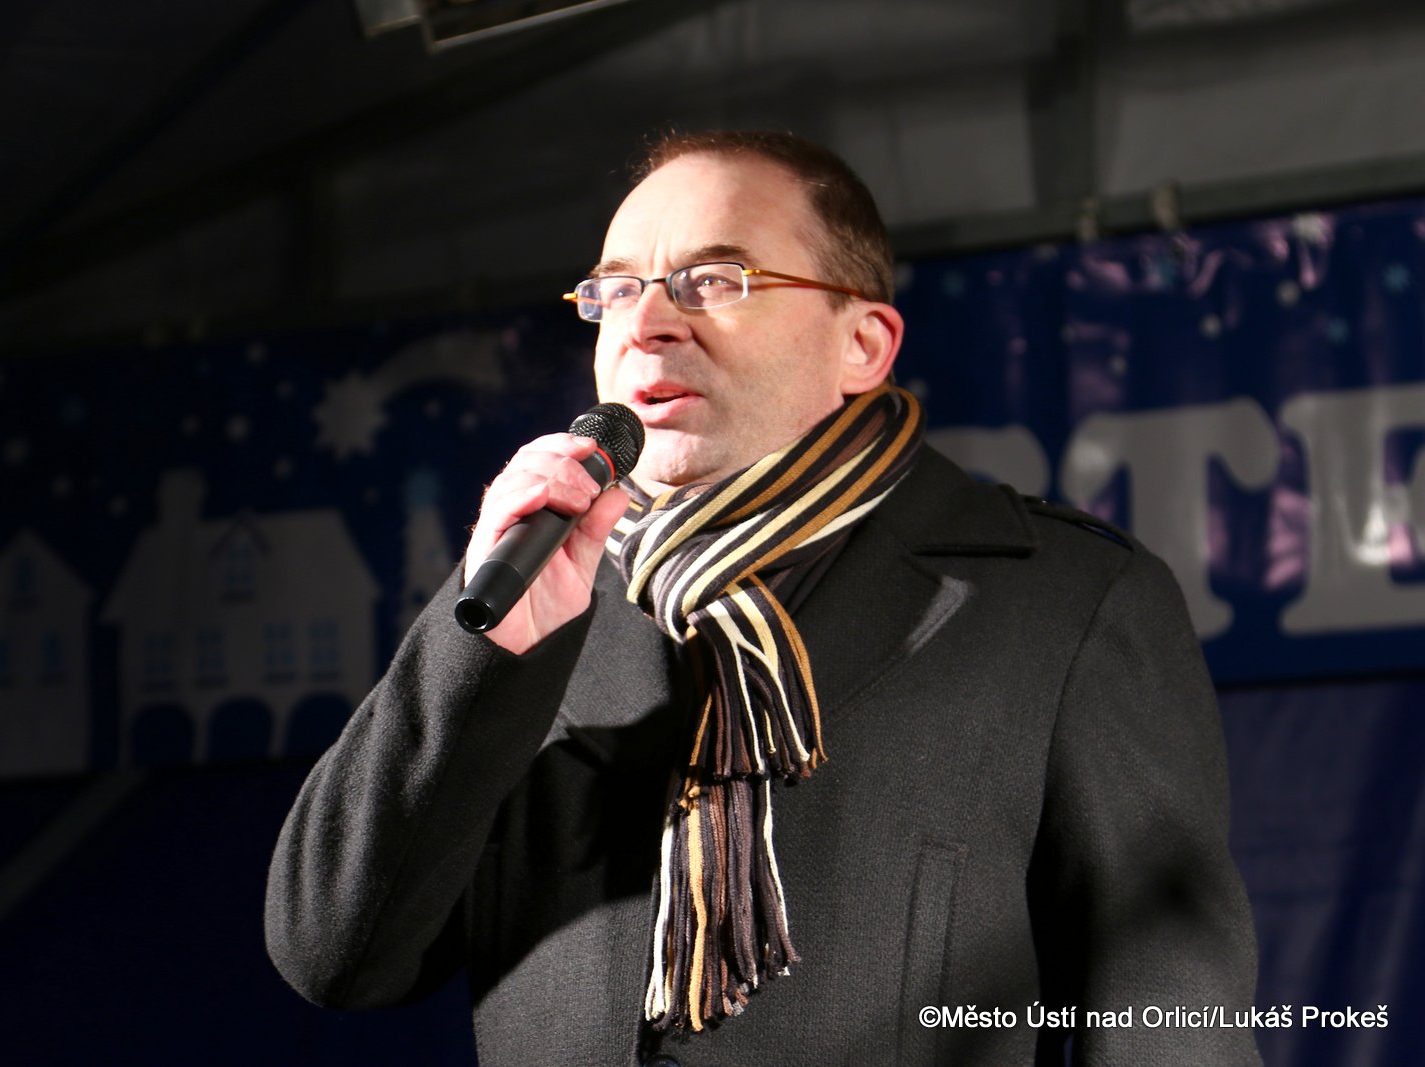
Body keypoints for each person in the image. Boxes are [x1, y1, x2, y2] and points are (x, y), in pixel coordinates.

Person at [265, 130, 1262, 1067]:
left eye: (712, 280)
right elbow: (335, 955)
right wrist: (480, 656)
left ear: (863, 344)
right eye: (615, 291)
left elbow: (1174, 1027)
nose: (647, 324)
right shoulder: (537, 587)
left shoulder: (1067, 600)